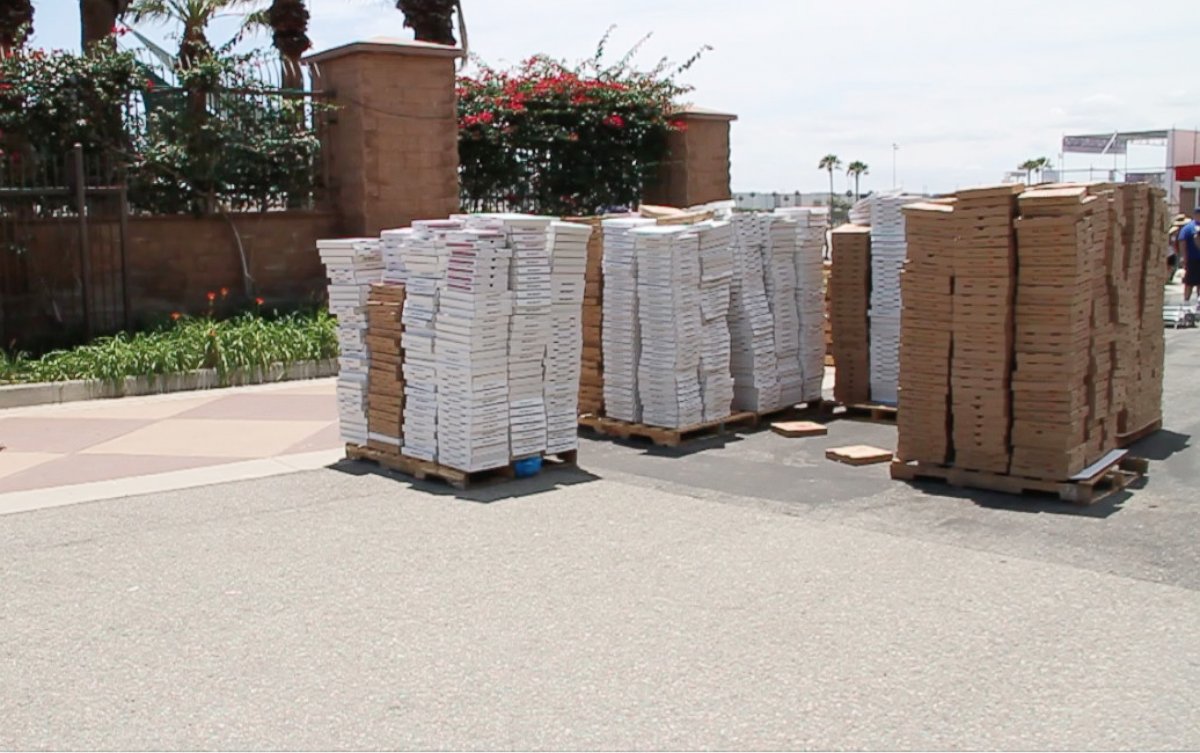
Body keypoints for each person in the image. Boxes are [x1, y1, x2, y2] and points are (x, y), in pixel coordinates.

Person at [1178, 208, 1200, 302]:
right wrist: (1183, 256)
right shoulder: (1189, 228)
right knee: (1189, 282)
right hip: (1192, 259)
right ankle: (1186, 301)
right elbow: (1182, 241)